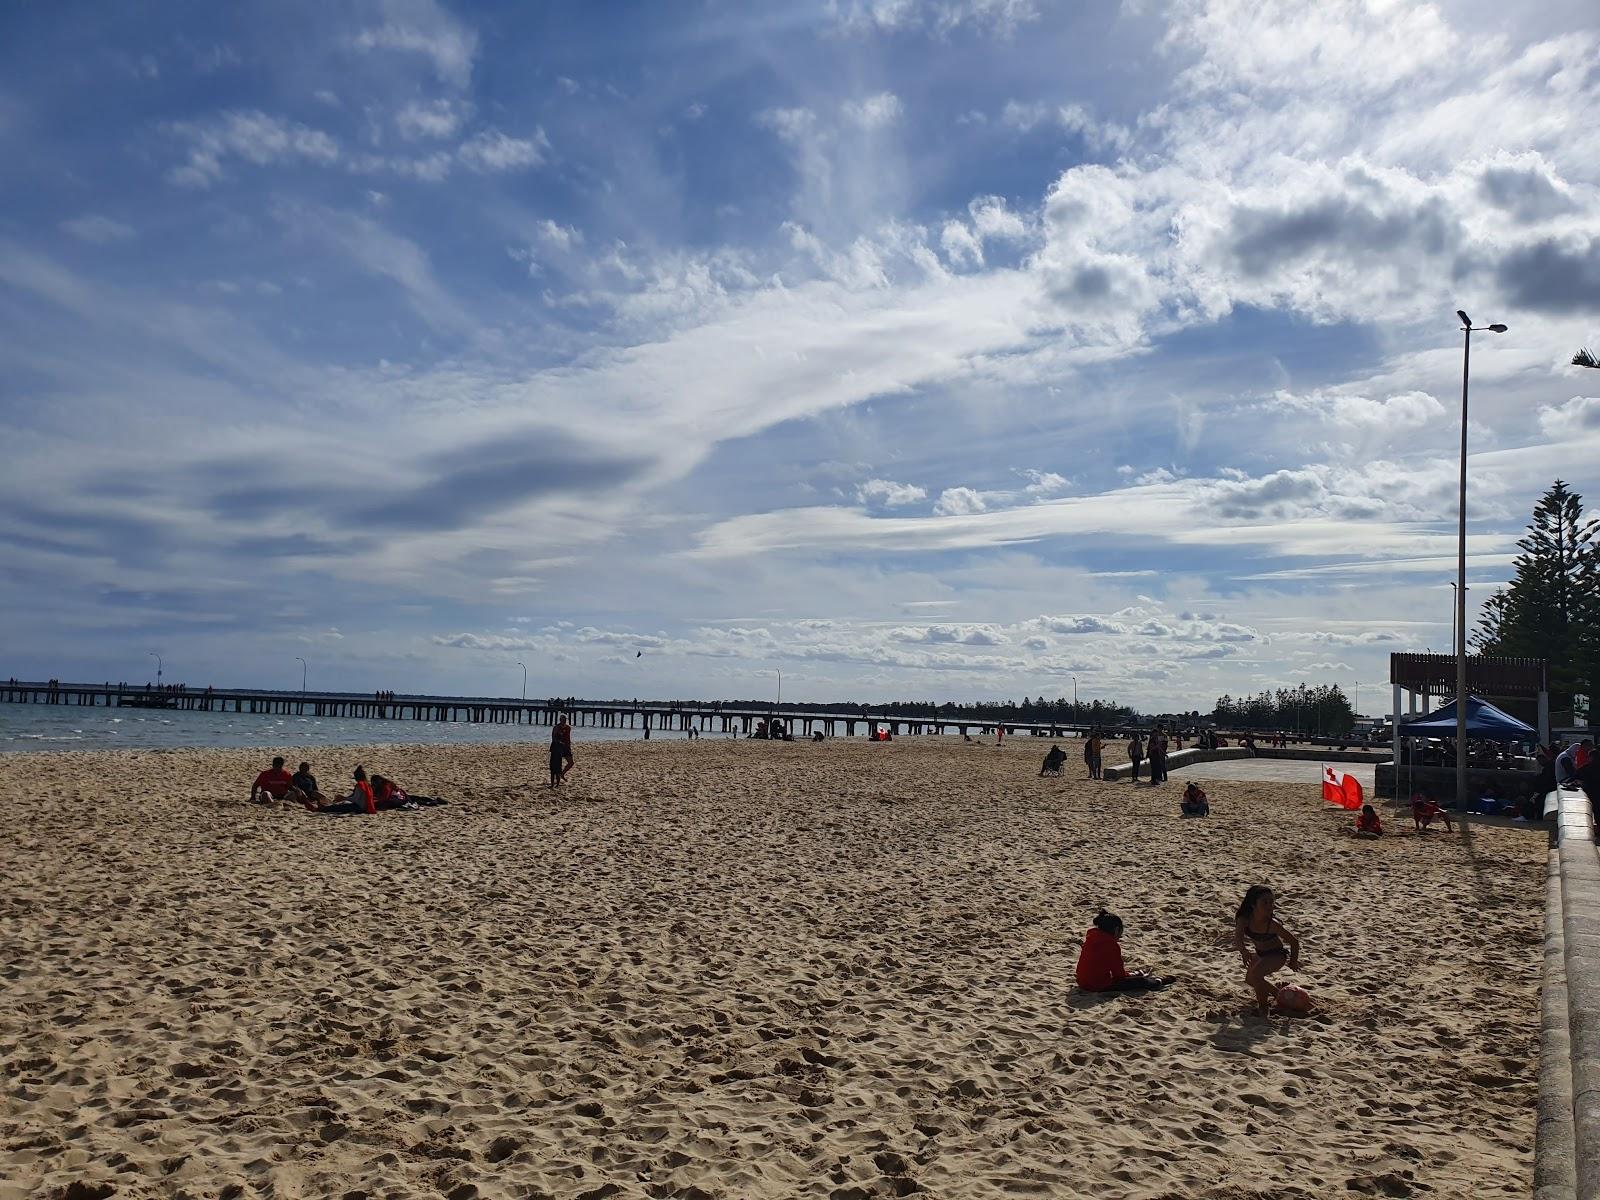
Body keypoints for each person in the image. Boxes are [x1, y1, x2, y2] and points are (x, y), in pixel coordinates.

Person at [1234, 885, 1301, 1015]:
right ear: (1253, 904)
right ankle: (1279, 994)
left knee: (1256, 976)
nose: (1270, 906)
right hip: (1260, 954)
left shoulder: (1272, 924)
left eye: (1272, 902)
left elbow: (1294, 941)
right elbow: (1238, 938)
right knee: (1250, 980)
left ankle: (1264, 1008)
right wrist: (1244, 951)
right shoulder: (1244, 919)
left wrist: (1293, 962)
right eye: (1265, 902)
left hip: (1277, 955)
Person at [1075, 910, 1176, 993]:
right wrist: (1133, 976)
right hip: (1097, 985)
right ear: (1116, 930)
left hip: (1082, 981)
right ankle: (1159, 981)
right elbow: (1119, 975)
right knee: (1141, 982)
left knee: (1126, 977)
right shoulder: (1111, 945)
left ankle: (1139, 974)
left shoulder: (1091, 938)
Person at [550, 716, 574, 786]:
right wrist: (558, 744)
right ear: (560, 720)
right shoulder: (556, 727)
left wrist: (569, 746)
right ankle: (556, 779)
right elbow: (553, 738)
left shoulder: (568, 727)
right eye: (562, 720)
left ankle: (562, 774)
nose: (564, 721)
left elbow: (568, 738)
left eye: (565, 720)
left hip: (566, 747)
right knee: (556, 765)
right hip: (558, 748)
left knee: (571, 763)